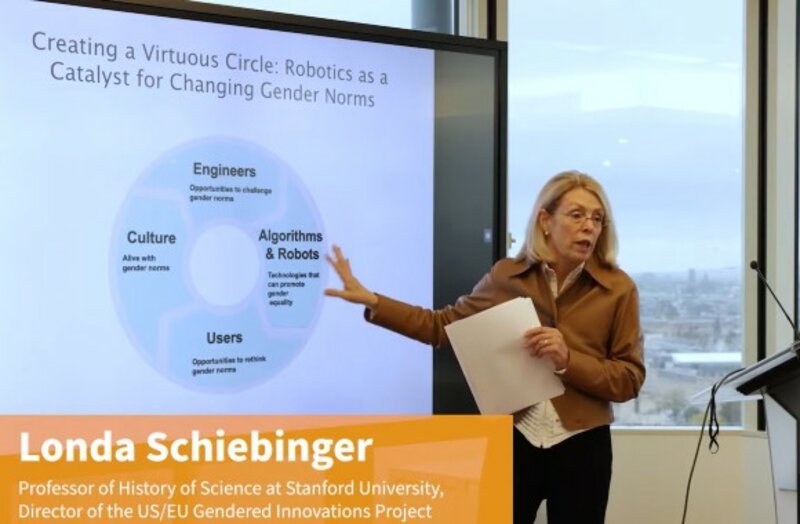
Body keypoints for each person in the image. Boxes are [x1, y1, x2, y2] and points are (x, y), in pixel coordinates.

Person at [324, 170, 645, 524]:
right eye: (577, 215)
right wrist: (374, 300)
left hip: (583, 449)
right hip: (513, 442)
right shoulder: (507, 276)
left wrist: (568, 359)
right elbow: (441, 327)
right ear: (545, 220)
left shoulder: (619, 289)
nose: (589, 227)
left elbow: (629, 379)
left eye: (597, 219)